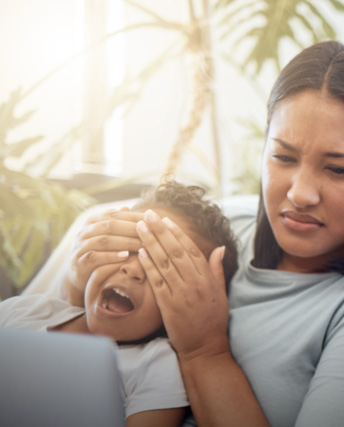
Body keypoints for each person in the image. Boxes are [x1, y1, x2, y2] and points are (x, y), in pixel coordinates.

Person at [63, 41, 344, 427]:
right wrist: (76, 286)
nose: (299, 194)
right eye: (283, 157)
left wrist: (203, 351)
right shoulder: (222, 228)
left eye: (338, 169)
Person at [1, 180, 239, 427]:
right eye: (130, 249)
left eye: (160, 266)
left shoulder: (155, 365)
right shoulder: (20, 311)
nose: (133, 269)